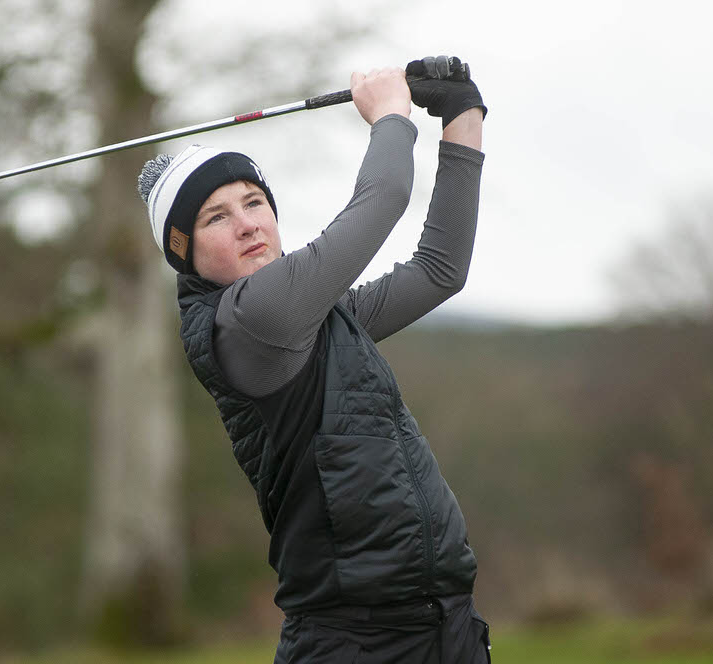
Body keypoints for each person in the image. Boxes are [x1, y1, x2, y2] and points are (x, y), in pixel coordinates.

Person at [138, 56, 489, 663]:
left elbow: (440, 270)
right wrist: (390, 117)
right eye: (216, 217)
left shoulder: (322, 316)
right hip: (354, 642)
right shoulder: (249, 321)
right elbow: (383, 198)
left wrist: (463, 116)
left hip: (442, 626)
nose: (249, 225)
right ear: (185, 251)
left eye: (254, 202)